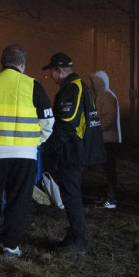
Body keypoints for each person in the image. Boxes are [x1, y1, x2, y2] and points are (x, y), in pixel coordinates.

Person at [0, 44, 54, 258]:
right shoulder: (33, 85)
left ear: (2, 62)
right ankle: (10, 247)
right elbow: (48, 121)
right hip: (25, 156)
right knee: (18, 200)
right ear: (23, 64)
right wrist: (35, 142)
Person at [41, 52, 91, 254]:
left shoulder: (73, 88)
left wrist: (49, 146)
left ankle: (78, 241)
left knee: (71, 196)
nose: (51, 76)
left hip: (71, 151)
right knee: (70, 195)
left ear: (59, 70)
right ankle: (73, 235)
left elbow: (67, 125)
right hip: (71, 150)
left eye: (51, 72)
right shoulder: (74, 87)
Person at [88, 70, 121, 208]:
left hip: (109, 139)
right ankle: (108, 197)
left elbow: (110, 117)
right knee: (108, 170)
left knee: (109, 170)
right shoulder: (104, 94)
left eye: (93, 82)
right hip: (108, 139)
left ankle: (111, 199)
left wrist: (96, 128)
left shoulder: (106, 95)